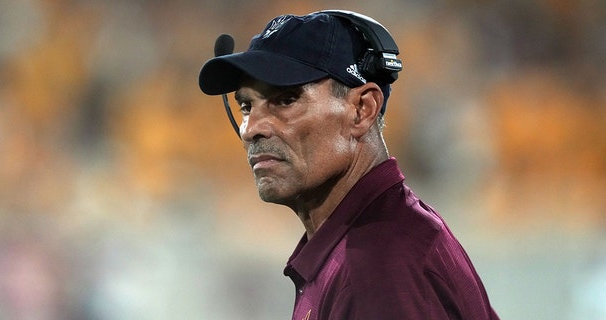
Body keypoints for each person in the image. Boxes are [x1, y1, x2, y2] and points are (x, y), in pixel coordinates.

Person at [198, 10, 499, 320]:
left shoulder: (376, 270)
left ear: (362, 110)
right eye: (246, 106)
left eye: (286, 100)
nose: (250, 129)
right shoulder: (368, 243)